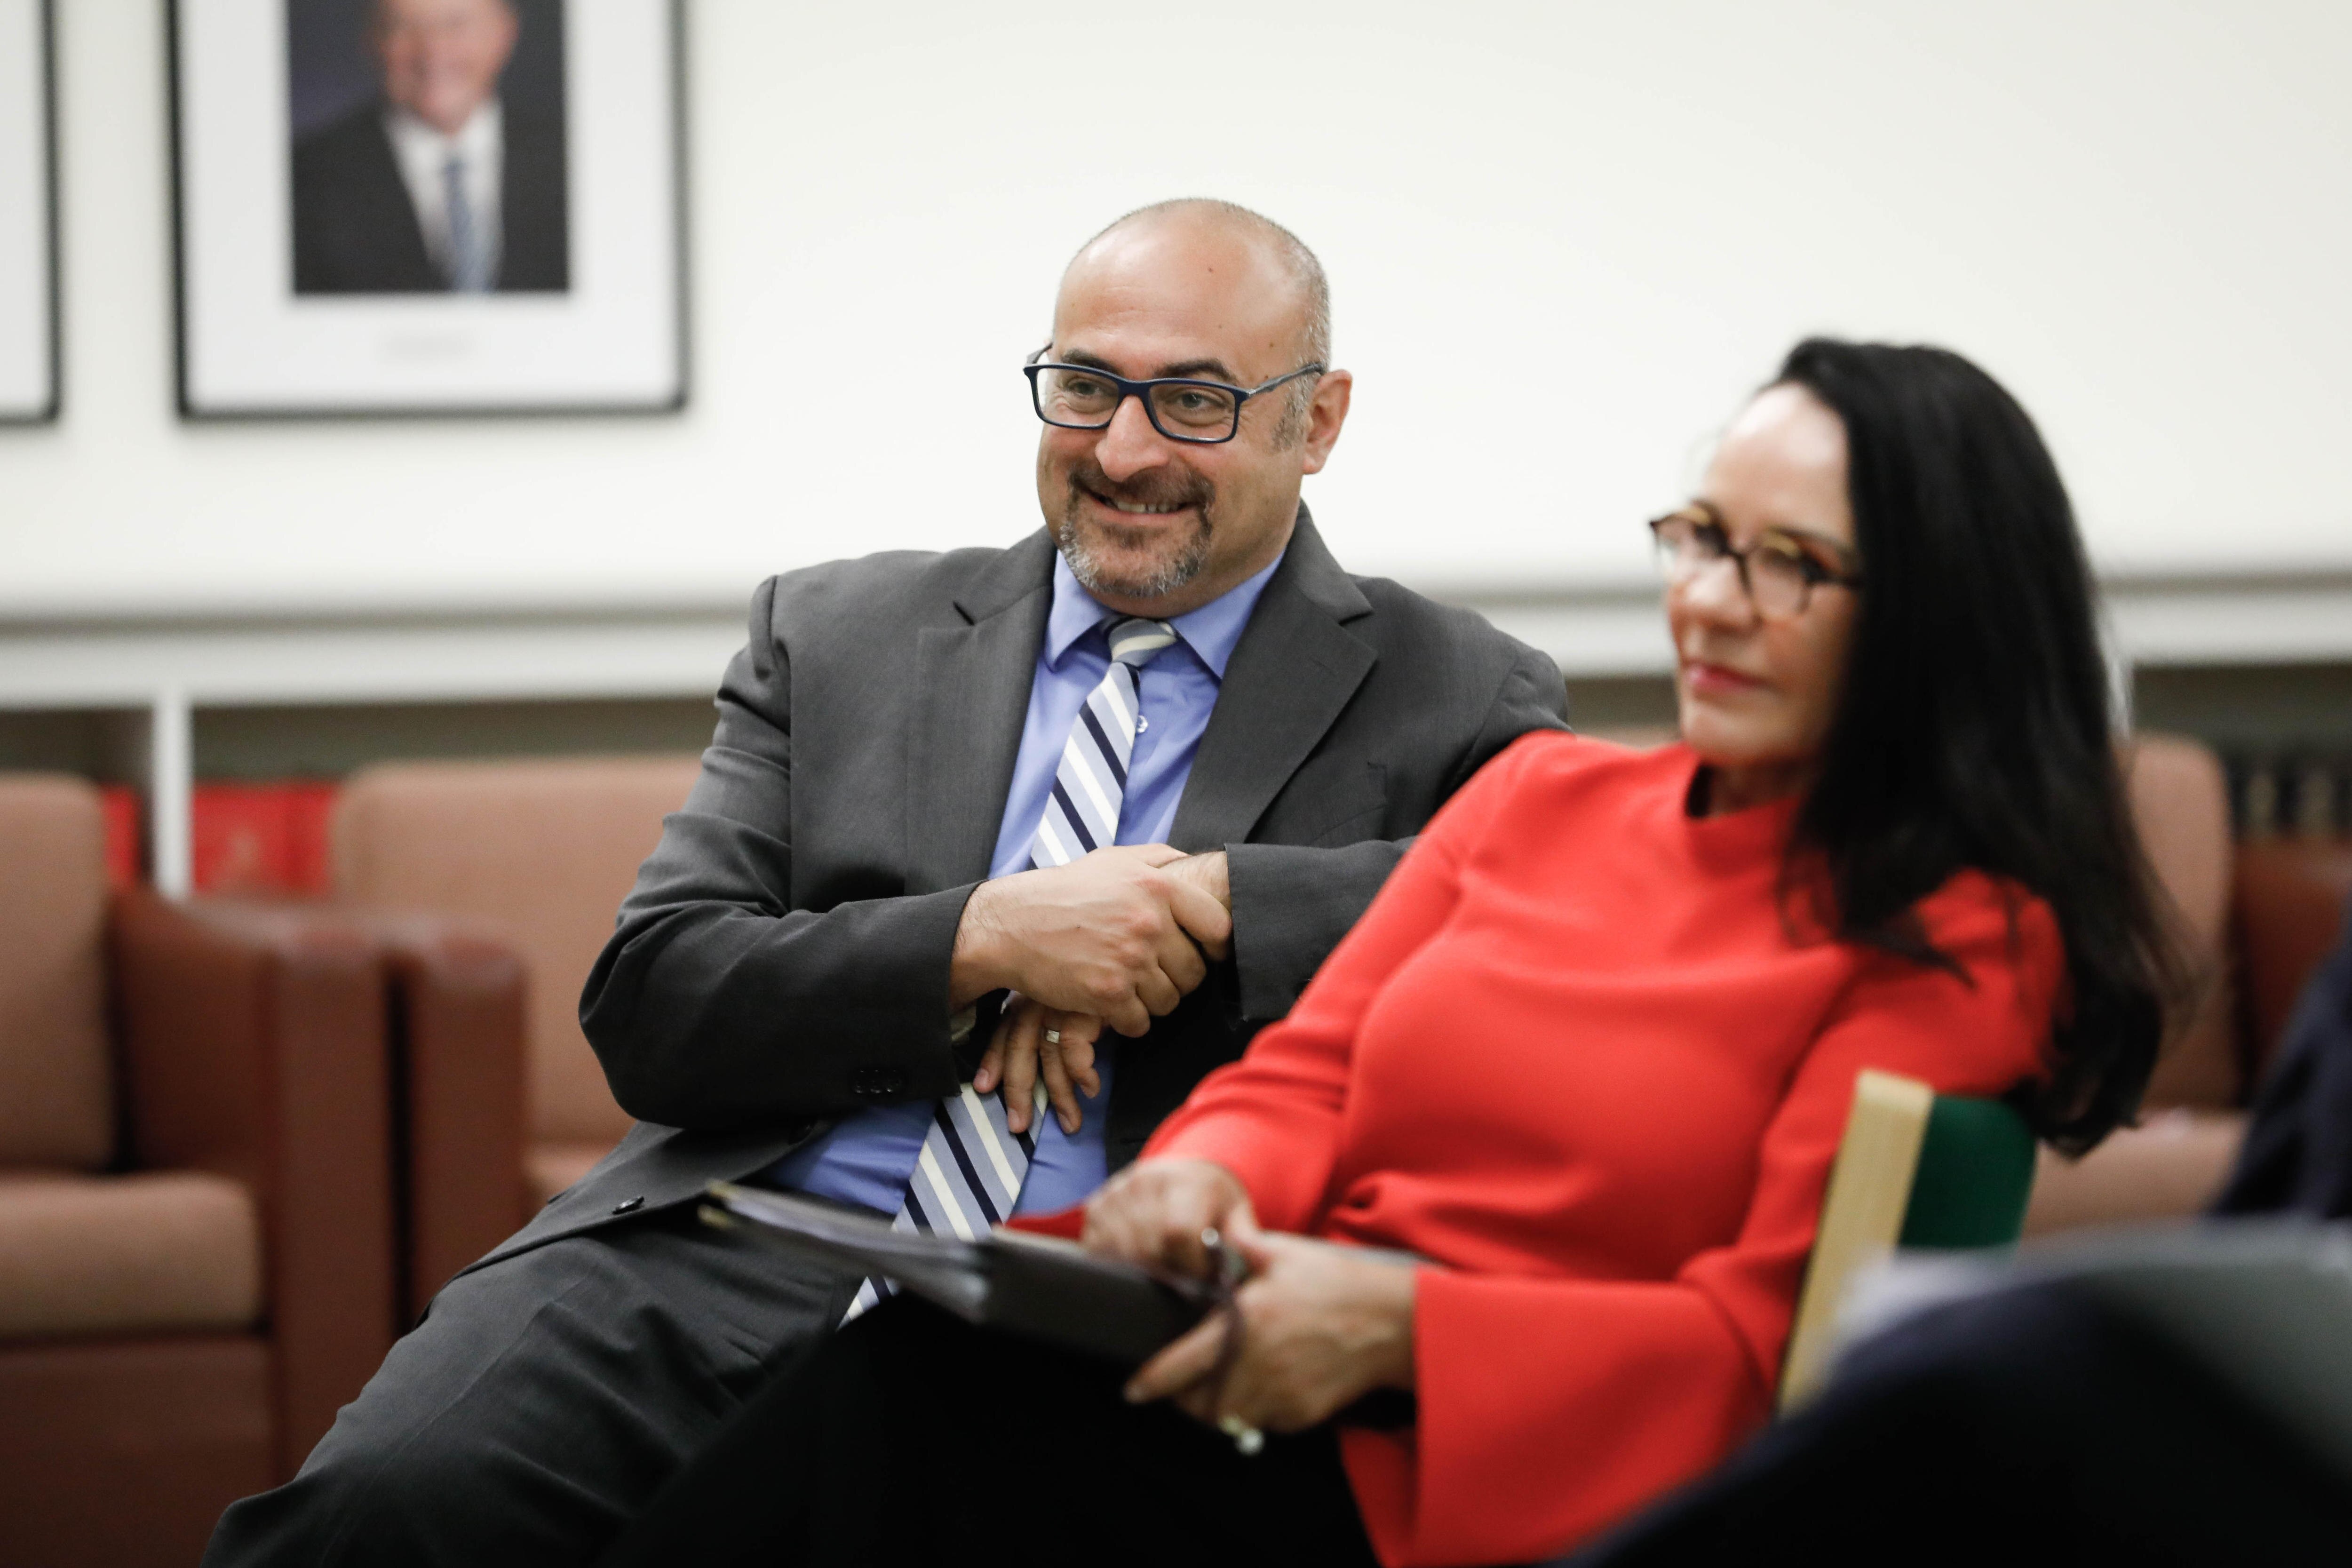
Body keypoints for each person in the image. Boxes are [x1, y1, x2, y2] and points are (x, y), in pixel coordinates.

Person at [642, 339, 2179, 1568]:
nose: (1711, 603)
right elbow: (1312, 1073)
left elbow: (1764, 1352)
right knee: (920, 1369)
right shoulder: (1543, 796)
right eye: (1703, 538)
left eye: (1792, 564)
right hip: (1263, 1369)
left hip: (1474, 1474)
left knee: (926, 1428)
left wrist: (1402, 1330)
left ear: (1938, 615)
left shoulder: (1965, 934)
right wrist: (1210, 1173)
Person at [202, 199, 1567, 1566]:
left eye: (1194, 402)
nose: (1122, 449)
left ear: (1316, 422)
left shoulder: (1454, 691)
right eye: (1085, 386)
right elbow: (655, 999)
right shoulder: (838, 636)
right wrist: (984, 936)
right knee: (370, 1515)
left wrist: (1208, 905)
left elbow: (1542, 938)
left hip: (1102, 1307)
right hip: (731, 1259)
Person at [291, 0, 567, 295]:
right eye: (403, 27)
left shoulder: (573, 161)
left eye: (455, 24)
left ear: (506, 32)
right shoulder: (304, 177)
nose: (433, 51)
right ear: (371, 40)